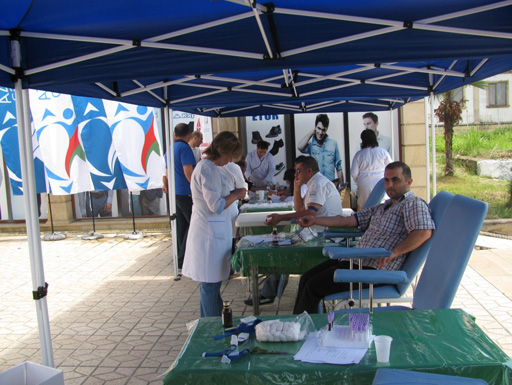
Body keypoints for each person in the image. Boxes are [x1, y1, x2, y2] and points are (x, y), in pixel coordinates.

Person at [293, 161, 435, 314]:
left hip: (375, 269)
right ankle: (300, 325)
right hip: (357, 260)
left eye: (395, 180)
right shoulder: (384, 206)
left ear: (409, 182)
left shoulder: (413, 203)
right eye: (386, 180)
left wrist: (395, 252)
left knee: (313, 286)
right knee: (306, 278)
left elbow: (424, 231)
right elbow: (348, 220)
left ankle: (302, 329)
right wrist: (315, 220)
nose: (390, 185)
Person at [244, 156, 343, 306]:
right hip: (315, 233)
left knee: (280, 249)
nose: (295, 175)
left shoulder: (318, 184)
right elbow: (300, 209)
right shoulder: (313, 183)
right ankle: (268, 292)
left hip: (324, 236)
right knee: (279, 245)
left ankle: (267, 293)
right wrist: (296, 189)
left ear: (309, 171)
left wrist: (281, 217)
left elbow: (309, 213)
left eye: (298, 171)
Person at [182, 131, 246, 317]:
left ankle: (213, 322)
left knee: (212, 284)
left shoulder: (211, 168)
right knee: (210, 285)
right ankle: (211, 327)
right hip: (208, 235)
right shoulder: (206, 168)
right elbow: (216, 205)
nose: (229, 161)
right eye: (229, 156)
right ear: (222, 151)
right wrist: (237, 194)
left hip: (214, 233)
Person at [164, 123, 196, 269]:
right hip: (185, 192)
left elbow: (166, 172)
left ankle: (179, 258)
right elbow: (188, 171)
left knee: (181, 226)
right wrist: (197, 188)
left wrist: (167, 185)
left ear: (174, 134)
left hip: (174, 192)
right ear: (188, 134)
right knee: (193, 224)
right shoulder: (185, 148)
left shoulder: (169, 149)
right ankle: (183, 258)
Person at [351, 129, 393, 210]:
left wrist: (359, 181)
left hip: (364, 185)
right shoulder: (383, 152)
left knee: (365, 209)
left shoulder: (359, 154)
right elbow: (391, 168)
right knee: (382, 207)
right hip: (380, 184)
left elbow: (354, 173)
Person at [297, 114, 343, 183]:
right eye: (319, 128)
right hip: (316, 185)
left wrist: (342, 188)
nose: (320, 132)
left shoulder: (333, 144)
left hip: (330, 185)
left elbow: (339, 167)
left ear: (327, 129)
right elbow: (300, 147)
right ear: (315, 127)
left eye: (323, 130)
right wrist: (312, 132)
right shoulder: (311, 145)